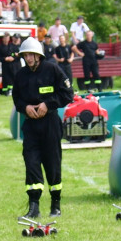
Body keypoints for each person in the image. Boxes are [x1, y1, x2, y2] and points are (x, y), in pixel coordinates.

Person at [12, 36, 73, 219]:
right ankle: (34, 207)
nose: (28, 58)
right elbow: (17, 99)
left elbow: (68, 93)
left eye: (31, 54)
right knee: (31, 162)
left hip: (50, 124)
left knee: (52, 163)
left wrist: (48, 104)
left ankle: (56, 204)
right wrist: (26, 108)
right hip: (31, 125)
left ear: (39, 55)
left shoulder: (52, 69)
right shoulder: (21, 75)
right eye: (25, 55)